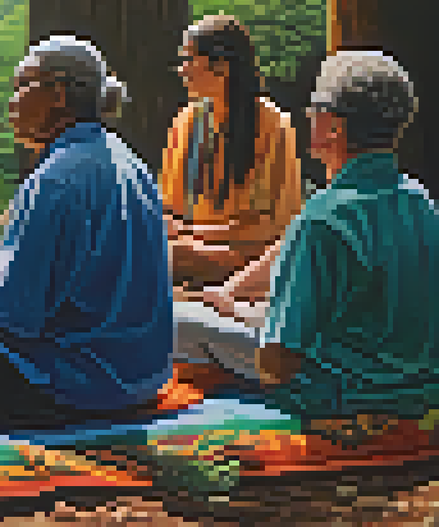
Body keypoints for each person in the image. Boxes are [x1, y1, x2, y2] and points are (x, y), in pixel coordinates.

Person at [0, 36, 172, 431]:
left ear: (58, 94)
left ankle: (43, 413)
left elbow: (14, 314)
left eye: (21, 86)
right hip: (144, 377)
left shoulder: (55, 179)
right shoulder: (132, 163)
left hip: (87, 381)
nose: (13, 102)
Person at [174, 50, 439, 419]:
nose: (307, 118)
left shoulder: (323, 218)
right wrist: (236, 301)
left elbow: (278, 363)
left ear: (333, 127)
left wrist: (245, 316)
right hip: (417, 387)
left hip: (337, 391)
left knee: (176, 322)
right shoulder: (420, 201)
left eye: (314, 109)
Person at [163, 15, 301, 288]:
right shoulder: (186, 122)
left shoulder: (273, 124)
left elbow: (270, 228)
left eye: (189, 60)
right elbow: (171, 207)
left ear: (221, 66)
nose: (182, 70)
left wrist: (191, 234)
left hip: (252, 258)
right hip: (193, 248)